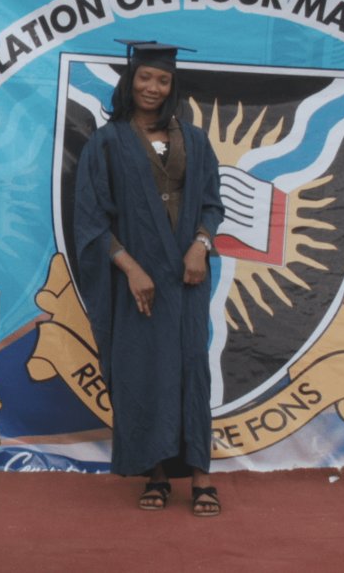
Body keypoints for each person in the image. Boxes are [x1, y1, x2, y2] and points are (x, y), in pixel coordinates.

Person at [72, 40, 225, 517]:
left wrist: (201, 244)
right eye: (144, 77)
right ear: (130, 81)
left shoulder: (195, 140)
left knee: (190, 371)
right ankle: (155, 474)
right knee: (143, 374)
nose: (152, 87)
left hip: (188, 278)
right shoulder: (107, 141)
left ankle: (201, 476)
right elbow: (90, 218)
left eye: (162, 80)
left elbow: (212, 204)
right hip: (134, 281)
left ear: (173, 85)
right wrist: (131, 267)